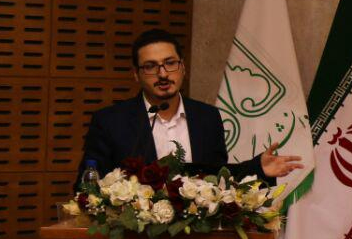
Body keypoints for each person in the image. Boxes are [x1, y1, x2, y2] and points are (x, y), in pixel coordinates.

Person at [77, 29, 303, 183]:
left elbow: (216, 178)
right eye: (151, 66)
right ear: (136, 74)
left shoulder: (207, 117)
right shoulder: (110, 122)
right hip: (133, 237)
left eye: (170, 63)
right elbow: (87, 185)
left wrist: (257, 169)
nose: (163, 74)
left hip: (198, 236)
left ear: (183, 67)